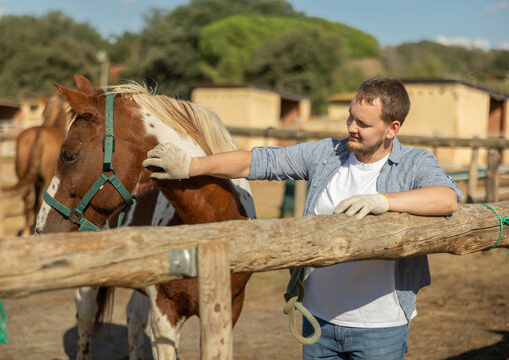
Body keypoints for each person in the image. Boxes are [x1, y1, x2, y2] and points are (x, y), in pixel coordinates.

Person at [143, 77, 462, 360]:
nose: (351, 126)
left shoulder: (414, 162)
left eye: (363, 123)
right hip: (318, 322)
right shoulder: (329, 153)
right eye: (351, 116)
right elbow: (259, 161)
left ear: (392, 128)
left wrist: (384, 201)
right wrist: (192, 166)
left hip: (380, 328)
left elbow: (447, 198)